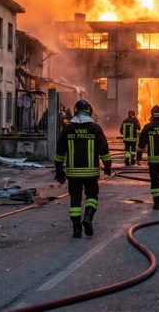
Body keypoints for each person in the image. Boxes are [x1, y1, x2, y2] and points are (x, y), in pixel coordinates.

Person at [53, 99, 112, 238]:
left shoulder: (68, 129)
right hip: (91, 173)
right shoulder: (95, 128)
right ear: (89, 111)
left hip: (73, 173)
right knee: (92, 196)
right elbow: (104, 150)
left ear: (75, 111)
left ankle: (76, 229)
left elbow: (60, 151)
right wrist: (107, 166)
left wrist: (59, 169)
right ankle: (88, 217)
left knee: (75, 199)